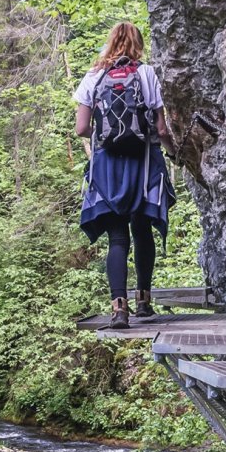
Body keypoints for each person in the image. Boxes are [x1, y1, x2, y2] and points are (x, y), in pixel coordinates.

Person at [74, 21, 172, 329]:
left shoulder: (94, 76)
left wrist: (104, 136)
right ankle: (144, 300)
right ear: (137, 44)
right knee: (142, 230)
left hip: (107, 164)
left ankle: (119, 309)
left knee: (117, 238)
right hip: (142, 161)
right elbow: (160, 128)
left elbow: (80, 128)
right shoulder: (145, 74)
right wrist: (173, 149)